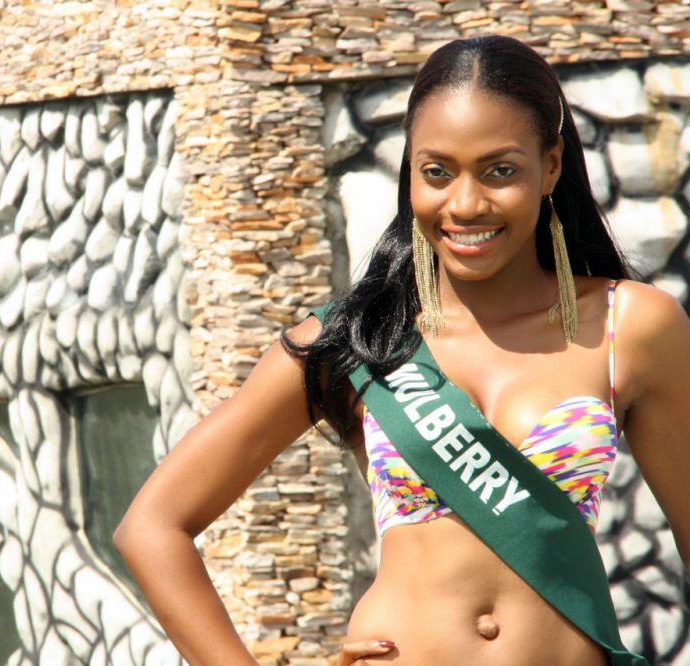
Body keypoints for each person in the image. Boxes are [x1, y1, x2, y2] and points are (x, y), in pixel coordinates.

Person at [113, 35, 690, 665]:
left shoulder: (629, 327)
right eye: (437, 172)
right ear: (409, 170)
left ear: (550, 166)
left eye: (500, 170)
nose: (465, 204)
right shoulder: (359, 341)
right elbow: (152, 527)